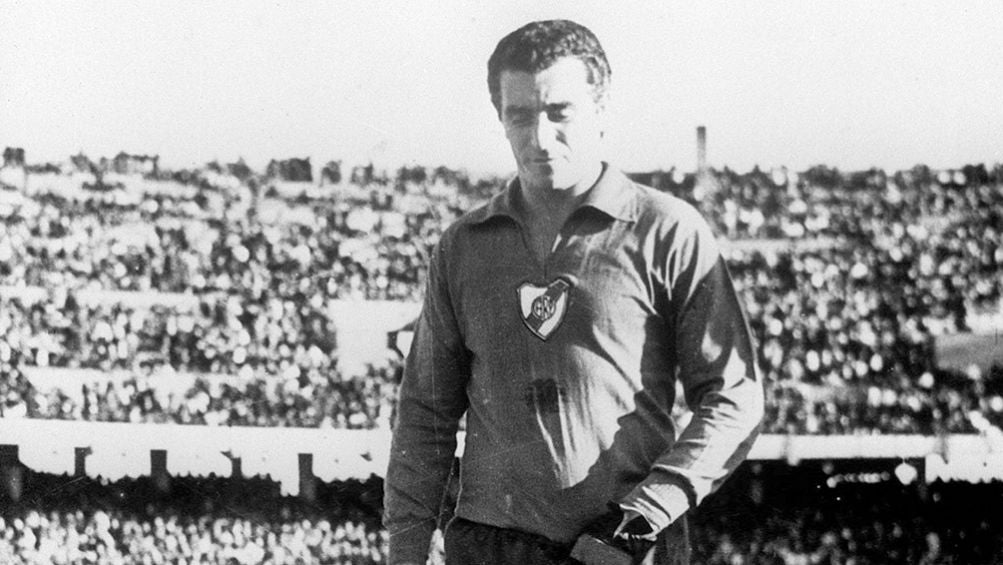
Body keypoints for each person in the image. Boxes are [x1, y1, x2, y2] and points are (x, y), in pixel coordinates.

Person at [384, 19, 764, 565]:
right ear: (500, 117)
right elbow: (425, 414)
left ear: (602, 109)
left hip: (622, 547)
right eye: (520, 115)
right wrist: (406, 552)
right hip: (491, 546)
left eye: (560, 112)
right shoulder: (463, 246)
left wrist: (643, 518)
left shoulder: (666, 229)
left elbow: (735, 397)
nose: (539, 137)